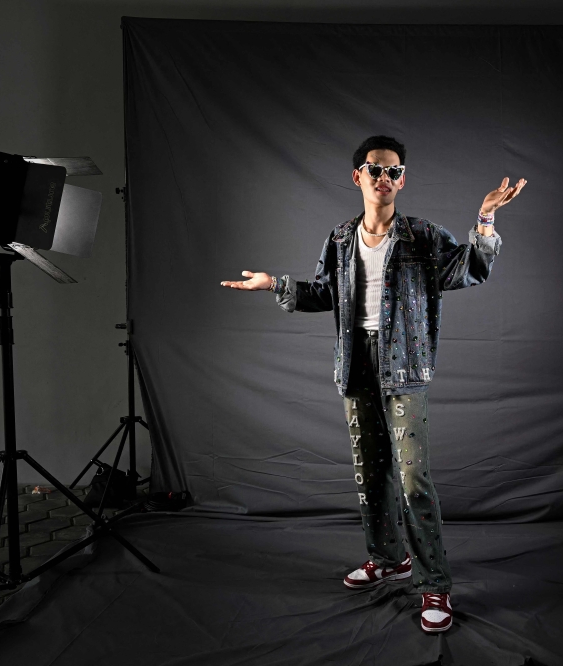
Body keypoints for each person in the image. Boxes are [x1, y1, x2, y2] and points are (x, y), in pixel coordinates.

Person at [220, 135, 526, 633]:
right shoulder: (341, 238)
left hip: (404, 363)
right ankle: (389, 559)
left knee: (412, 478)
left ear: (402, 180)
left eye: (393, 171)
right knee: (371, 471)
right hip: (355, 361)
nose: (384, 178)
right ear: (357, 176)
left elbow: (468, 269)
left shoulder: (422, 235)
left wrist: (486, 218)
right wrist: (273, 283)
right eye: (375, 169)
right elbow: (324, 292)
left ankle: (434, 584)